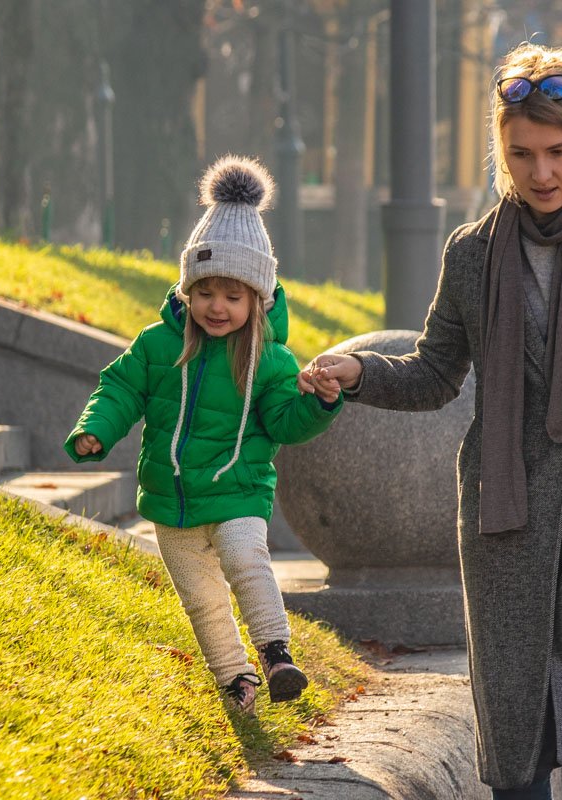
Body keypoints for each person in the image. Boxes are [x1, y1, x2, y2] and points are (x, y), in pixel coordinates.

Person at [300, 43, 562, 800]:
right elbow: (436, 375)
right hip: (510, 533)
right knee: (521, 759)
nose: (541, 172)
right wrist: (360, 373)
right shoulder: (472, 254)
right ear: (500, 151)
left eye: (560, 151)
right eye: (521, 153)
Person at [64, 156, 343, 715]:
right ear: (188, 289)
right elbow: (120, 388)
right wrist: (96, 429)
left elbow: (284, 422)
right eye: (207, 292)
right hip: (171, 501)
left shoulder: (270, 359)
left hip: (238, 487)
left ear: (257, 300)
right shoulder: (158, 346)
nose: (218, 306)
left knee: (245, 558)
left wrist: (319, 403)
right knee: (203, 600)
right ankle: (235, 682)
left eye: (234, 296)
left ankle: (276, 653)